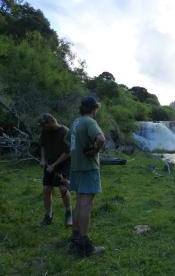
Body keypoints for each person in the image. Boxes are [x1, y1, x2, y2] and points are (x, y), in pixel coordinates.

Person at [68, 96, 106, 257]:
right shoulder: (90, 122)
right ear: (94, 108)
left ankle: (75, 237)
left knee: (79, 202)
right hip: (88, 167)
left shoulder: (76, 122)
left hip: (75, 166)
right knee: (86, 204)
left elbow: (67, 141)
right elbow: (101, 139)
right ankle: (84, 244)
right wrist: (94, 151)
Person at [38, 113, 72, 227]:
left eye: (45, 125)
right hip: (50, 162)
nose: (44, 127)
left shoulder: (65, 131)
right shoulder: (45, 131)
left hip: (64, 163)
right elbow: (42, 145)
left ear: (52, 121)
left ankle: (68, 213)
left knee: (63, 188)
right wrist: (43, 159)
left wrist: (55, 165)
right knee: (46, 189)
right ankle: (48, 216)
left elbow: (68, 152)